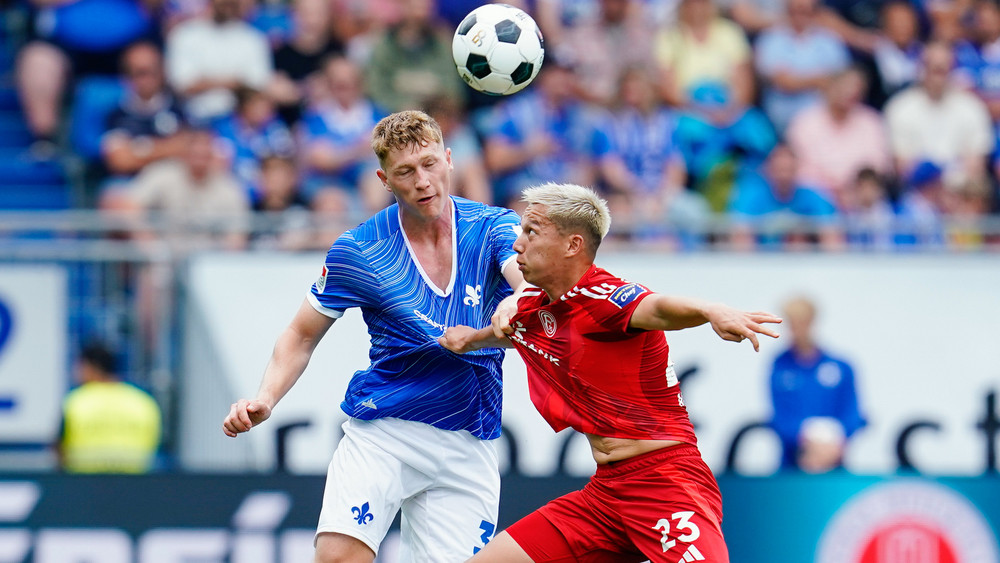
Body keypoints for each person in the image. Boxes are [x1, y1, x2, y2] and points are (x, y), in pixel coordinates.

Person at [222, 110, 527, 562]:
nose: (422, 181)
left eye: (429, 164)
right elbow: (300, 335)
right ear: (385, 179)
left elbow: (527, 279)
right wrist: (266, 396)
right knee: (338, 557)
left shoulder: (494, 225)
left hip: (468, 439)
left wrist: (520, 297)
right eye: (405, 171)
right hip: (385, 429)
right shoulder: (360, 249)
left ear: (448, 159)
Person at [439, 183, 781, 561]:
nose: (518, 244)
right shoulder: (533, 310)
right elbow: (505, 333)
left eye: (531, 232)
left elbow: (660, 308)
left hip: (665, 483)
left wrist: (710, 310)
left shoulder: (604, 297)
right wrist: (467, 340)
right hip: (605, 495)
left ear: (572, 245)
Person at [768, 296, 865, 473]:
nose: (795, 330)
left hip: (836, 465)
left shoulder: (841, 367)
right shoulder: (779, 367)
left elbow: (853, 414)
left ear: (812, 322)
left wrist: (833, 443)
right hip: (792, 467)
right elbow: (779, 417)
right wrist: (807, 441)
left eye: (801, 323)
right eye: (791, 324)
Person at [59, 342, 162, 473]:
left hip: (85, 486)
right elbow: (154, 447)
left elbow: (60, 451)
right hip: (134, 486)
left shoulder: (76, 401)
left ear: (89, 367)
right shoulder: (143, 402)